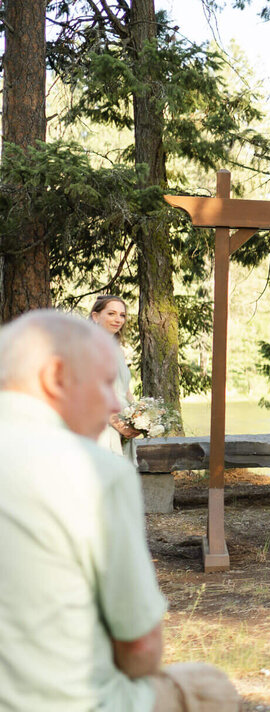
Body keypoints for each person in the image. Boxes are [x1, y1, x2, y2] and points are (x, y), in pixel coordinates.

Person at [0, 310, 238, 711]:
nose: (114, 401)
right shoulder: (93, 471)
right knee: (210, 688)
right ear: (55, 376)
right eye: (104, 382)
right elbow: (140, 646)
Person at [90, 294, 138, 461]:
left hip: (121, 422)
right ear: (96, 316)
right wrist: (119, 424)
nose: (118, 319)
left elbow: (124, 388)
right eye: (111, 314)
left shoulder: (117, 350)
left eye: (122, 315)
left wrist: (139, 417)